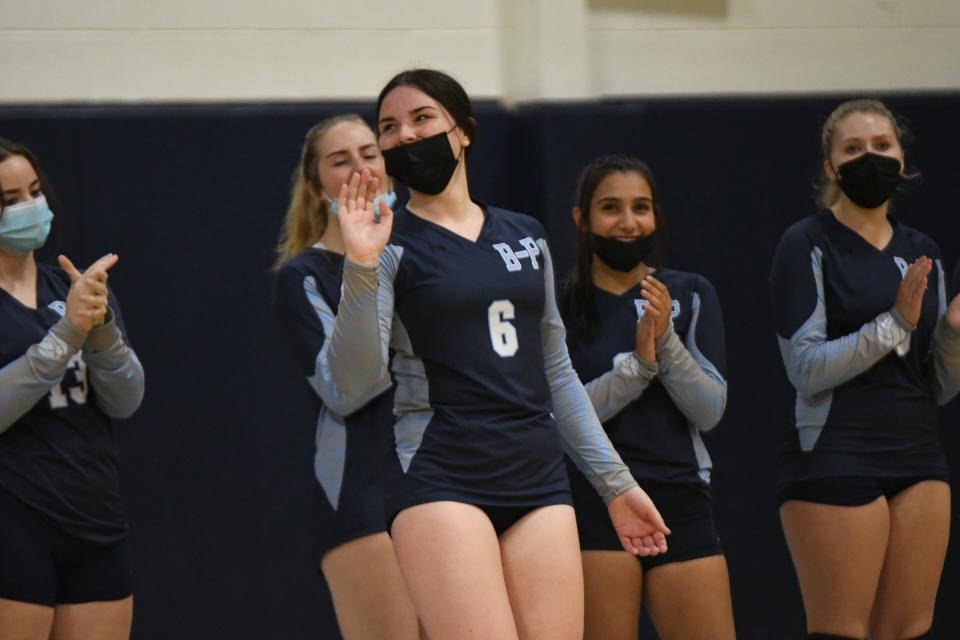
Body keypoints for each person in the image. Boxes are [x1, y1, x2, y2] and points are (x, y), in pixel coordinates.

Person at [327, 68, 670, 640]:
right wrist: (360, 266)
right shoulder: (386, 243)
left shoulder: (525, 234)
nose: (406, 135)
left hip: (537, 478)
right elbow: (351, 383)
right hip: (441, 475)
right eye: (389, 127)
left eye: (421, 118)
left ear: (463, 132)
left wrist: (617, 484)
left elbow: (555, 371)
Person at [770, 99, 960, 640]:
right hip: (836, 453)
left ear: (903, 160)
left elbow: (940, 386)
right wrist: (895, 322)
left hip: (920, 455)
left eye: (882, 146)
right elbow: (805, 369)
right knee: (843, 629)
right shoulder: (806, 243)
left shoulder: (922, 250)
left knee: (908, 628)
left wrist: (954, 334)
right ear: (830, 168)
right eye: (853, 149)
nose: (869, 157)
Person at [560, 154, 735, 639]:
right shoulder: (557, 304)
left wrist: (667, 342)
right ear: (582, 219)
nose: (627, 221)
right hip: (593, 499)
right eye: (610, 207)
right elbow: (564, 419)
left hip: (681, 494)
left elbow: (709, 410)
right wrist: (639, 369)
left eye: (641, 207)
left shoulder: (690, 293)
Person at [271, 115, 421, 640]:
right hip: (365, 488)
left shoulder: (429, 254)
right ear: (316, 188)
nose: (360, 168)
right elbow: (349, 388)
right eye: (340, 161)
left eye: (369, 153)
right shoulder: (304, 277)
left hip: (450, 476)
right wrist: (366, 266)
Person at [0, 138, 144, 639]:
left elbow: (126, 399)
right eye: (9, 200)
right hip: (15, 525)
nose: (29, 207)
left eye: (34, 192)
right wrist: (64, 339)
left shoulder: (73, 289)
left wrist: (100, 329)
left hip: (95, 520)